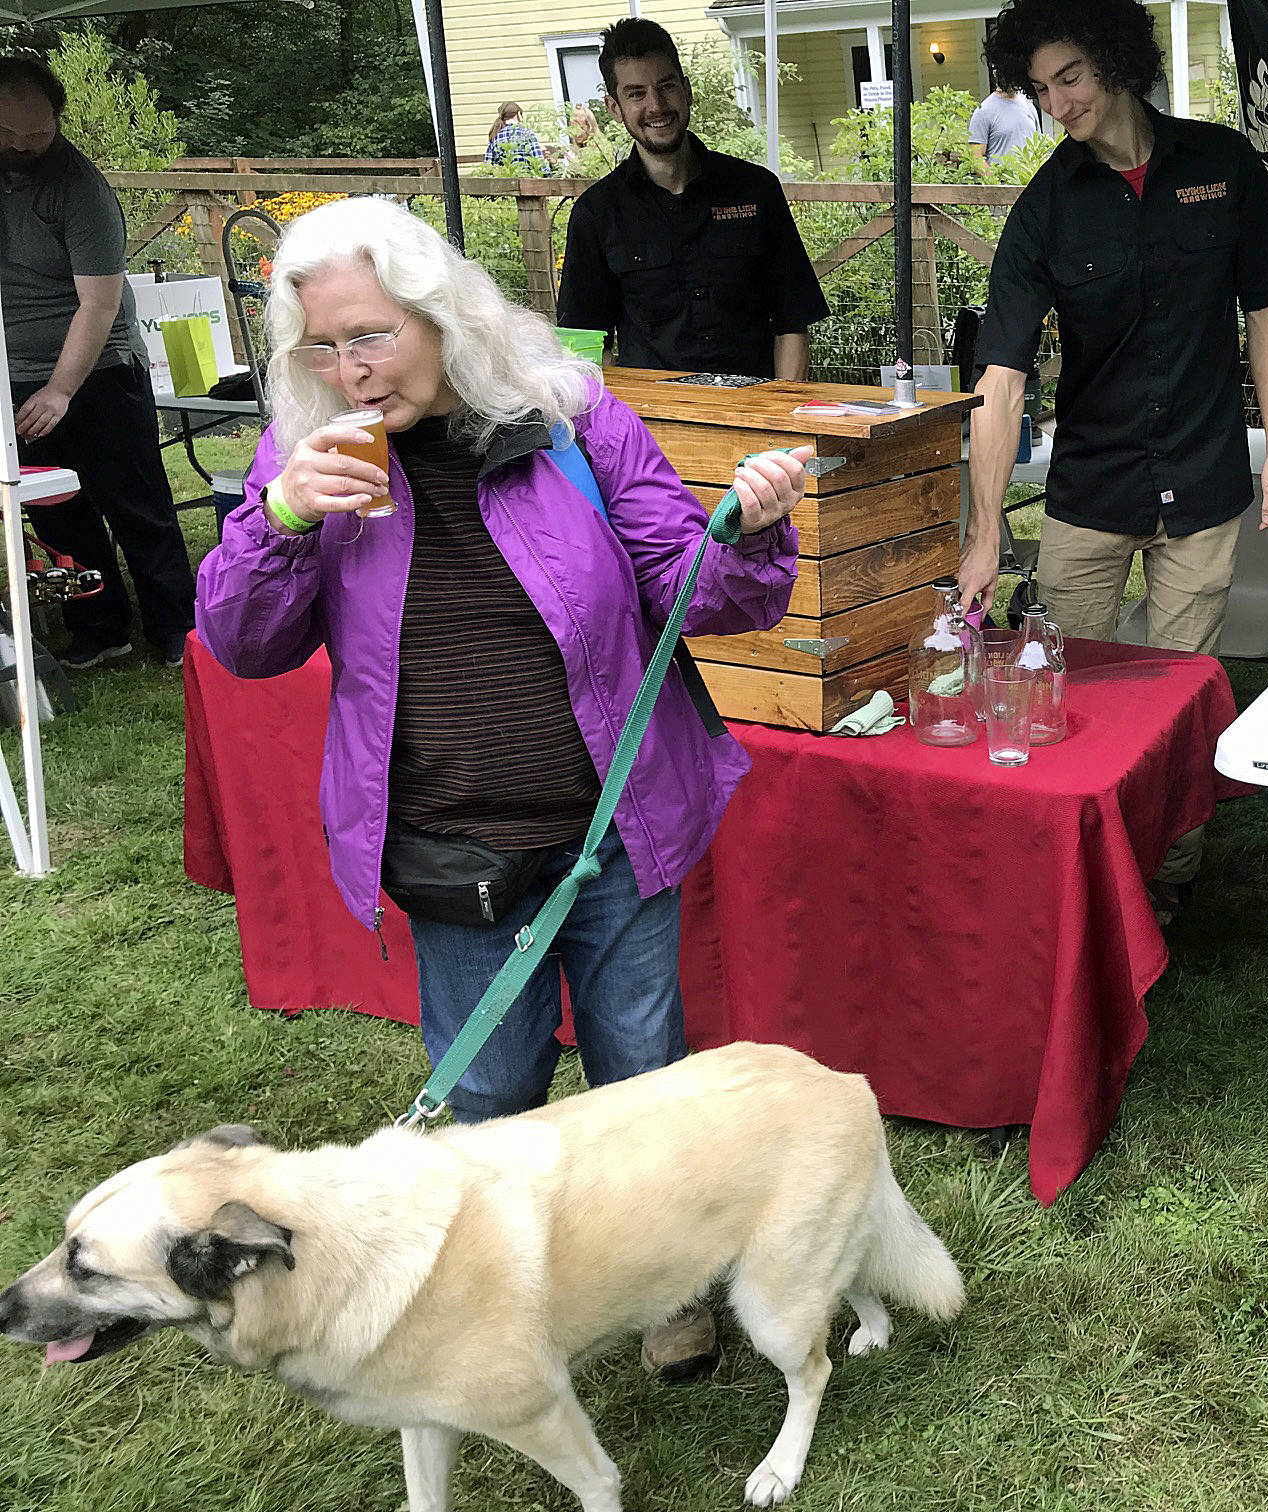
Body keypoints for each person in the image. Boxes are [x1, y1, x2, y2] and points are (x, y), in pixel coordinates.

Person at [195, 197, 810, 1384]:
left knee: (640, 1077)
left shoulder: (570, 421)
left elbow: (691, 584)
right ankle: (514, 1293)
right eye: (319, 346)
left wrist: (745, 528)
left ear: (441, 316)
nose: (349, 369)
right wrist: (275, 520)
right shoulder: (307, 452)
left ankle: (665, 1289)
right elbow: (243, 644)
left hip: (610, 828)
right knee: (492, 1094)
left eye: (371, 335)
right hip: (450, 845)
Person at [958, 0, 1268, 924]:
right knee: (1070, 688)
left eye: (1069, 77)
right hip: (1092, 484)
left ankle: (1167, 876)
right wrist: (985, 530)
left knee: (1177, 688)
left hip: (1202, 477)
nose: (1057, 103)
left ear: (1115, 61)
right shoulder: (1046, 208)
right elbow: (1001, 378)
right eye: (1039, 89)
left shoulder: (1221, 165)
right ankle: (1081, 872)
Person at [0, 54, 196, 670]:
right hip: (15, 371)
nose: (25, 147)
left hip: (99, 368)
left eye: (38, 134)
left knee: (136, 506)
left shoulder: (79, 190)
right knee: (58, 511)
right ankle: (98, 625)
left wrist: (60, 390)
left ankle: (178, 627)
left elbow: (100, 303)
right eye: (7, 135)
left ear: (57, 118)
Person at [556, 18, 828, 380]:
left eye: (666, 86)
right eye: (636, 93)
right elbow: (586, 347)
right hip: (652, 427)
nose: (655, 105)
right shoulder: (596, 213)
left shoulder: (756, 190)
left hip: (758, 415)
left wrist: (779, 417)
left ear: (687, 90)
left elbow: (792, 323)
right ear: (614, 108)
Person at [967, 76, 1042, 168]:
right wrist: (994, 181)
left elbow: (1039, 147)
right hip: (1002, 180)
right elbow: (976, 156)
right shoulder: (984, 110)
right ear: (996, 75)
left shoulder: (1029, 105)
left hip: (1030, 180)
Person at [482, 101, 548, 175]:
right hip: (528, 182)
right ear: (518, 114)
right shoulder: (527, 134)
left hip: (504, 183)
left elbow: (488, 167)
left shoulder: (495, 137)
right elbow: (540, 164)